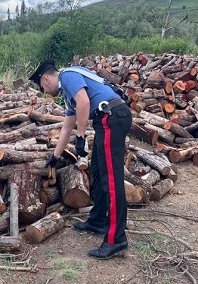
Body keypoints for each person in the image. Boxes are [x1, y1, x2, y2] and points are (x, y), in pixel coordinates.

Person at [29, 60, 132, 259]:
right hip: (107, 120)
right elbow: (67, 127)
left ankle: (116, 239)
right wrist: (54, 157)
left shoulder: (67, 76)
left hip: (112, 117)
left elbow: (84, 102)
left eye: (42, 87)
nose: (44, 91)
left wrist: (82, 136)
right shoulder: (69, 95)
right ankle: (98, 220)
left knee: (111, 180)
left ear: (46, 78)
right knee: (98, 172)